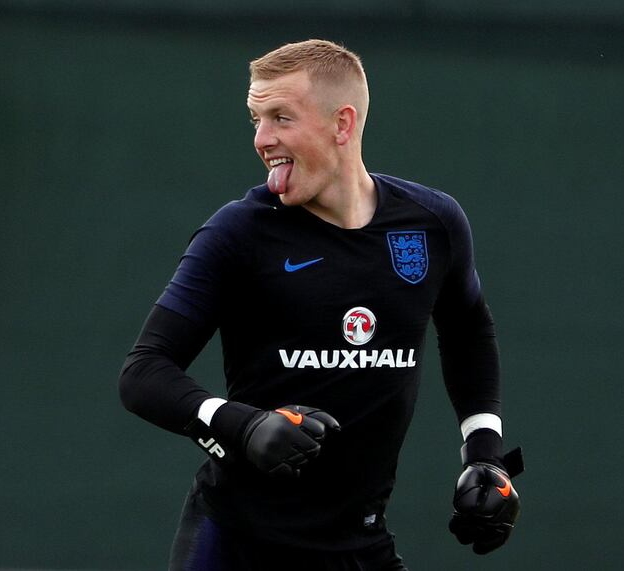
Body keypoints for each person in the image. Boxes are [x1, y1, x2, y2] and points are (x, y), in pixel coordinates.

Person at [119, 39, 523, 571]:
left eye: (281, 118)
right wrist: (240, 425)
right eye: (256, 119)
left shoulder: (432, 224)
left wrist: (486, 456)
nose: (263, 139)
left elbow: (469, 330)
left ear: (342, 124)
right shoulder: (239, 232)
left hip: (359, 546)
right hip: (237, 544)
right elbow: (144, 372)